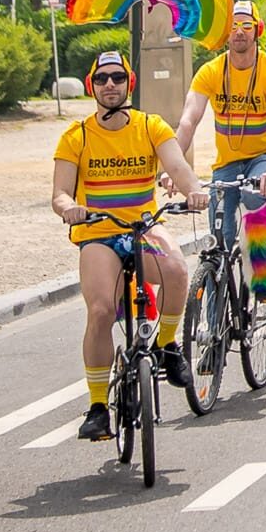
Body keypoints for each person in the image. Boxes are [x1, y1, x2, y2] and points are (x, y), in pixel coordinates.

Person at [53, 51, 208, 441]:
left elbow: (177, 167)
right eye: (102, 79)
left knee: (176, 271)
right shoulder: (77, 135)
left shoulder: (150, 126)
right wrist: (70, 208)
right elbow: (59, 193)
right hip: (98, 234)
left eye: (117, 78)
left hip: (143, 227)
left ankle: (169, 345)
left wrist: (194, 191)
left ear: (129, 83)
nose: (110, 85)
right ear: (92, 86)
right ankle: (97, 406)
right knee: (102, 311)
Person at [175, 2, 266, 253]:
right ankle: (215, 284)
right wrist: (173, 166)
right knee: (219, 233)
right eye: (233, 25)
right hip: (226, 163)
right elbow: (188, 120)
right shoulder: (210, 71)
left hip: (263, 157)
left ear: (257, 30)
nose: (239, 31)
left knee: (254, 196)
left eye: (246, 25)